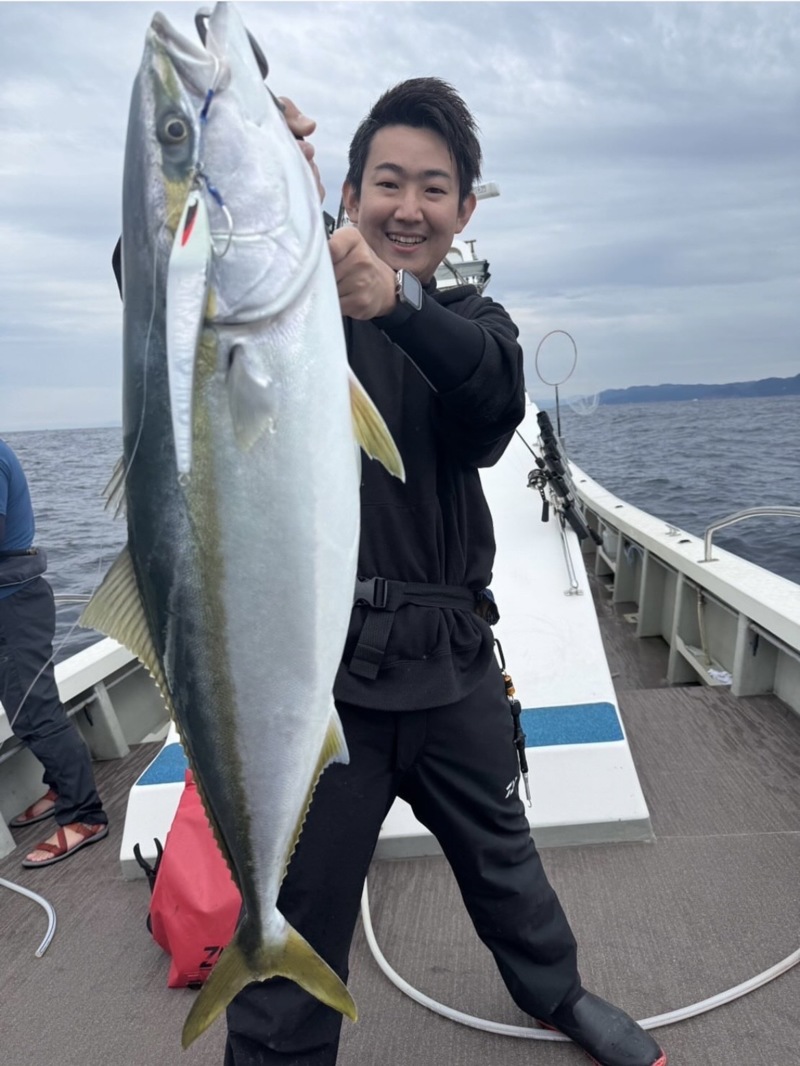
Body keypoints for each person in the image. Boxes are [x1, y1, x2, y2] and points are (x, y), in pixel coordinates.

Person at [222, 79, 667, 1066]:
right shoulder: (282, 318)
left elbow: (487, 397)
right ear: (344, 193)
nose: (408, 207)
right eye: (387, 182)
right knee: (300, 899)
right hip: (325, 674)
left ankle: (557, 991)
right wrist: (235, 170)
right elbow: (161, 282)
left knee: (505, 862)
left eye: (434, 188)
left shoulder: (472, 323)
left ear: (463, 210)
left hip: (454, 659)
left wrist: (396, 302)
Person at [0, 437, 108, 868]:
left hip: (15, 605)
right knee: (24, 711)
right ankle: (62, 787)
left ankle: (85, 814)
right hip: (11, 603)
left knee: (36, 712)